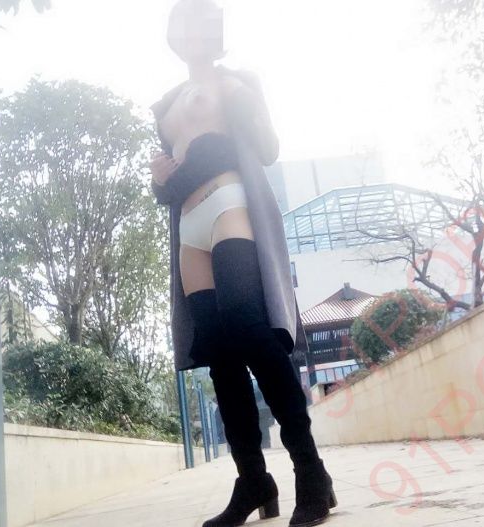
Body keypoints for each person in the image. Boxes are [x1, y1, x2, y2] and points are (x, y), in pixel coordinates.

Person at [148, 1, 337, 526]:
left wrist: (242, 101)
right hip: (189, 224)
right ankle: (253, 480)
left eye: (200, 22)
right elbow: (168, 185)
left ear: (214, 31)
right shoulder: (165, 105)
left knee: (248, 327)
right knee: (216, 349)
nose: (190, 31)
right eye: (182, 23)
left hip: (230, 202)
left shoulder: (236, 82)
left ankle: (311, 472)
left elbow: (268, 148)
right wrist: (159, 178)